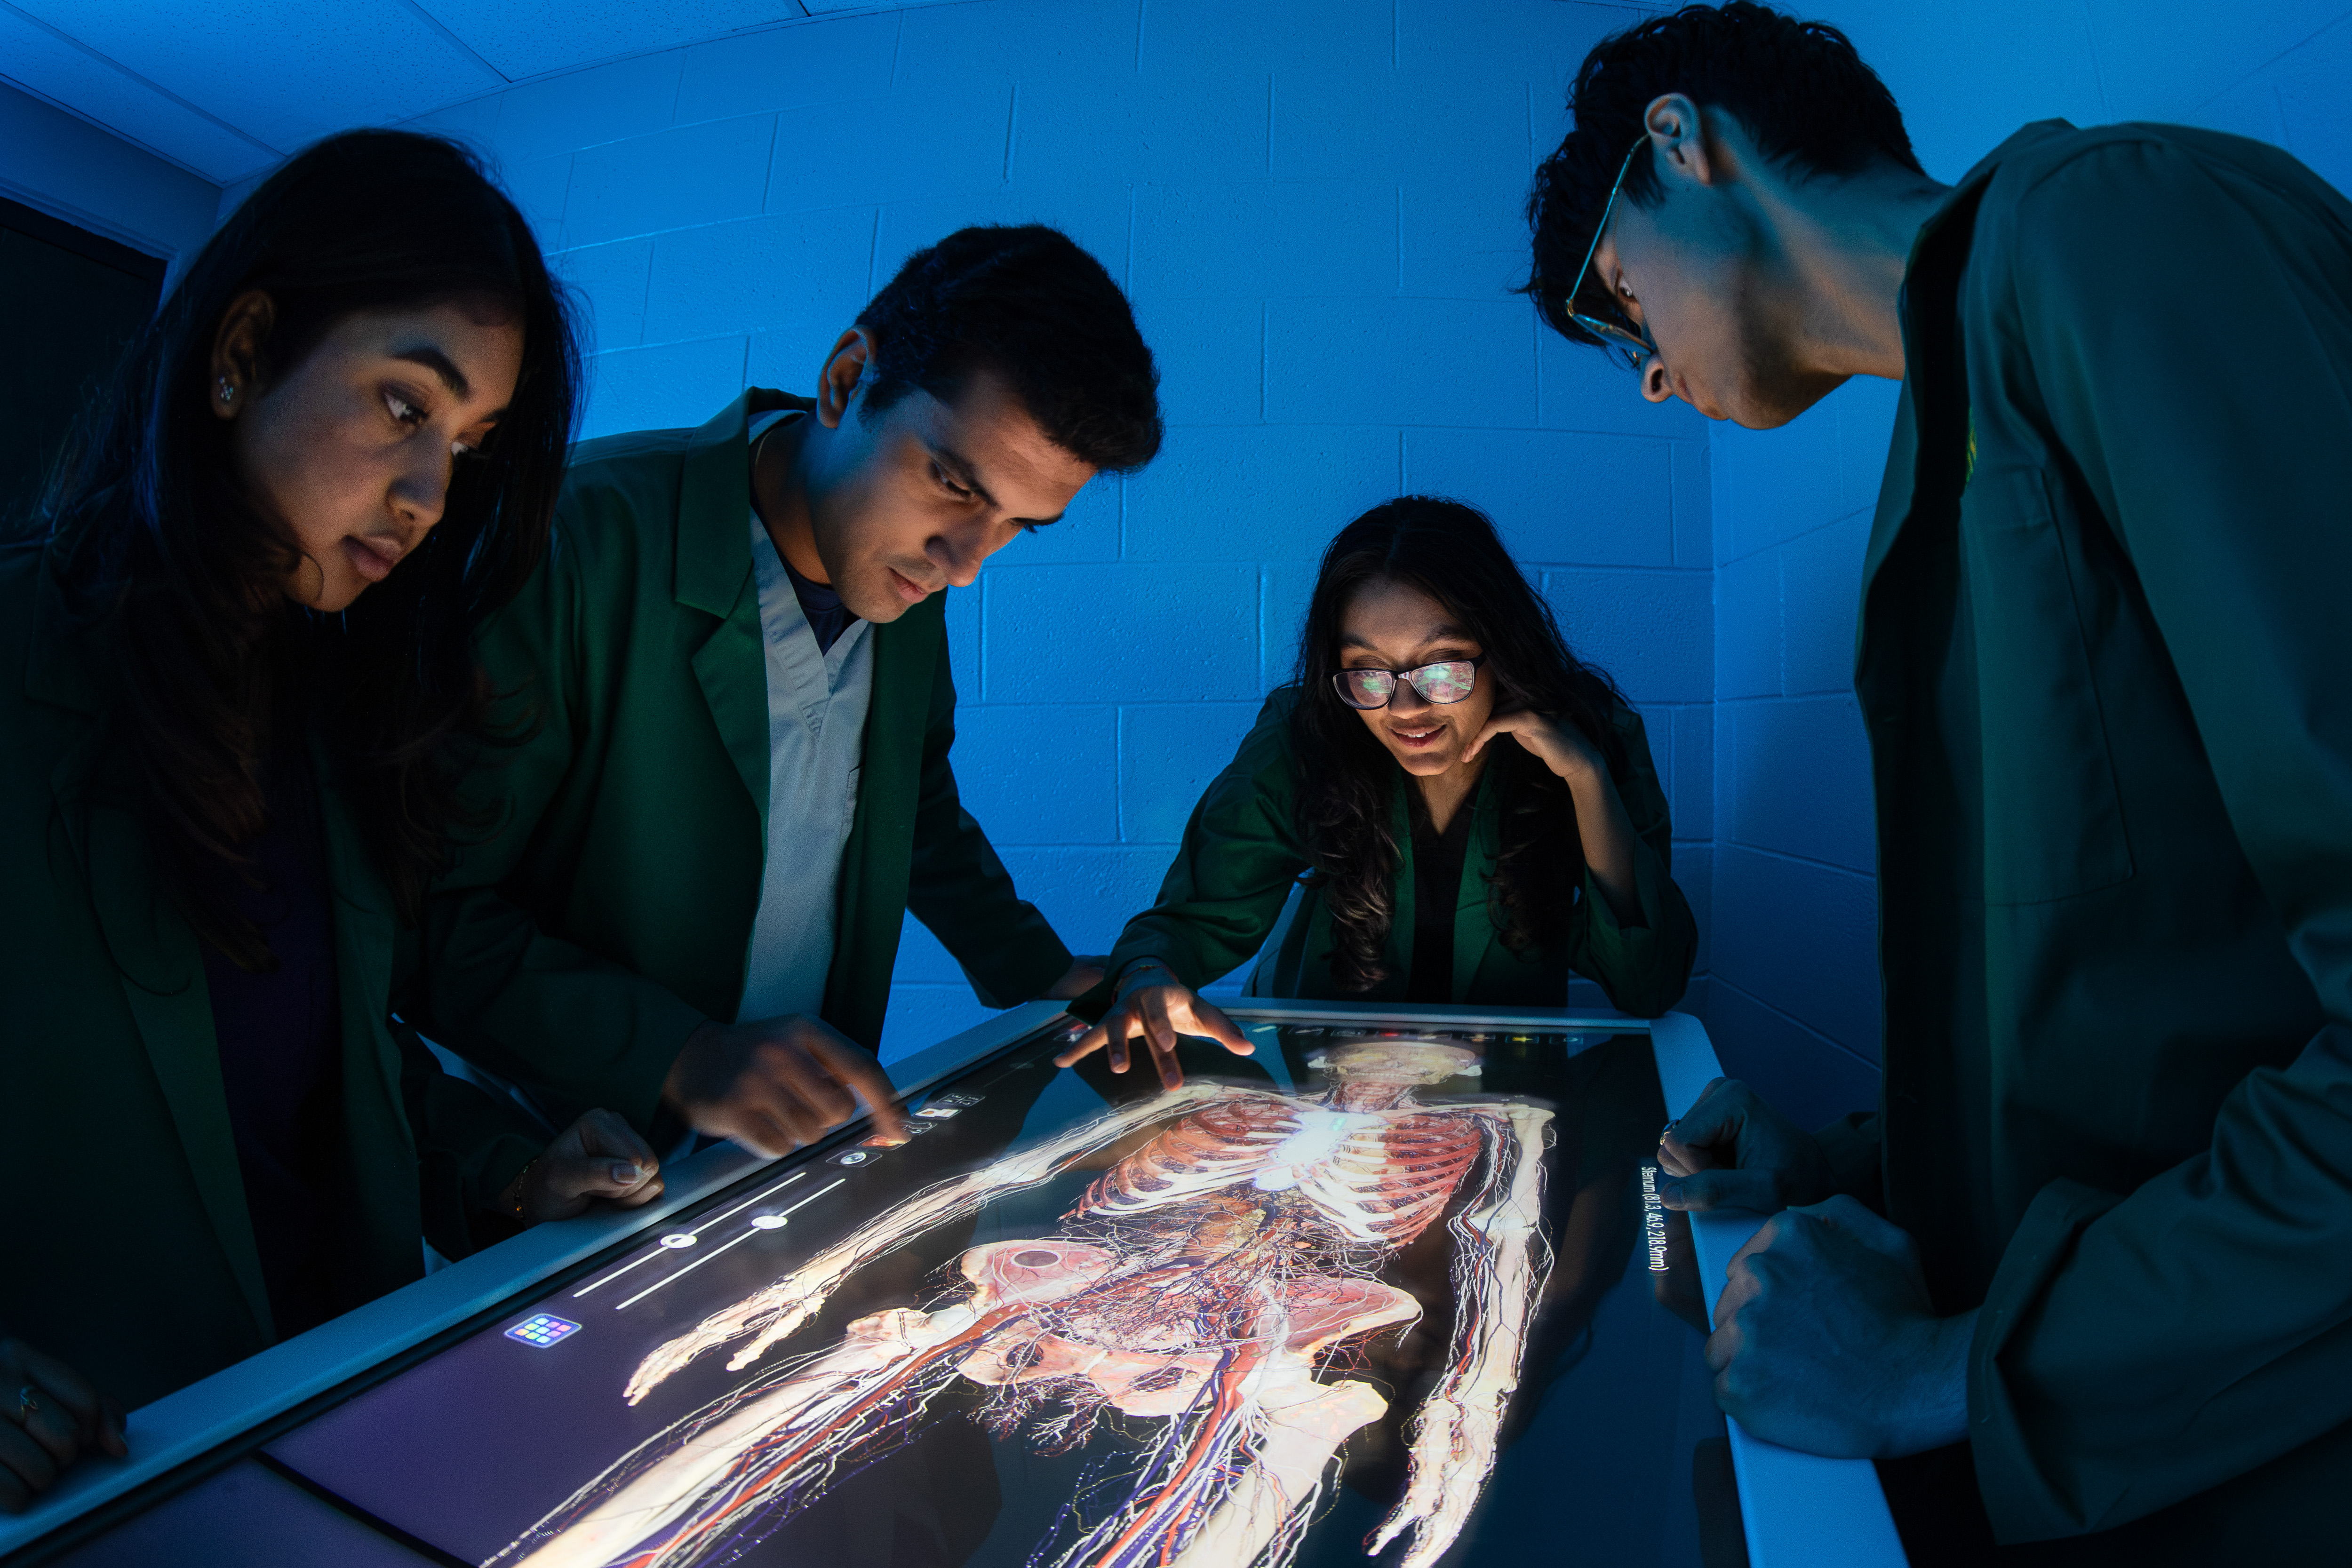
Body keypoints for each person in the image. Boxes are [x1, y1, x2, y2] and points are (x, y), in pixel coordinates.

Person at [1526, 3, 2352, 1560]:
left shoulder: (2113, 230)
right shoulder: (1941, 444)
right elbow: (2144, 1001)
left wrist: (1952, 1363)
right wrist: (1849, 1161)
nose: (1644, 376)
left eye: (1619, 301)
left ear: (1682, 143)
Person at [0, 131, 665, 1513]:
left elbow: (323, 1060)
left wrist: (505, 1168)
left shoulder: (331, 700)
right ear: (241, 350)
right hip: (90, 1489)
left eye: (467, 449)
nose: (427, 499)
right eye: (402, 407)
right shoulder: (21, 664)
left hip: (327, 1432)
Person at [412, 224, 1158, 1160]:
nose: (967, 564)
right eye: (952, 483)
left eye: (1017, 526)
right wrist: (679, 1053)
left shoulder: (904, 580)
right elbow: (426, 914)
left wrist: (1041, 970)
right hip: (560, 1160)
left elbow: (909, 804)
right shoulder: (571, 541)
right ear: (847, 380)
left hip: (782, 1150)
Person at [1060, 497, 1697, 1089]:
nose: (1406, 707)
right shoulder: (1305, 732)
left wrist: (1585, 780)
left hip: (1506, 1086)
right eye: (1369, 672)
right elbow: (1192, 917)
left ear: (1502, 650)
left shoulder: (1592, 735)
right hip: (1321, 1084)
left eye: (1442, 665)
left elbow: (1650, 984)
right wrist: (1148, 979)